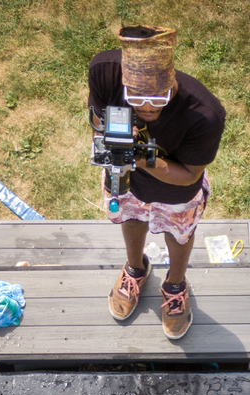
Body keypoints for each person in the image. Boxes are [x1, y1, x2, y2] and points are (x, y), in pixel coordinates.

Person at [89, 25, 226, 340]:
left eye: (158, 97)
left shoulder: (204, 114)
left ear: (172, 79)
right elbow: (96, 116)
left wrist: (139, 158)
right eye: (136, 97)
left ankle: (175, 284)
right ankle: (136, 269)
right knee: (130, 216)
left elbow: (189, 174)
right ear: (123, 81)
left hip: (176, 191)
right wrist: (106, 134)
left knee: (179, 234)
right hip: (126, 180)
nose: (147, 106)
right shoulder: (103, 72)